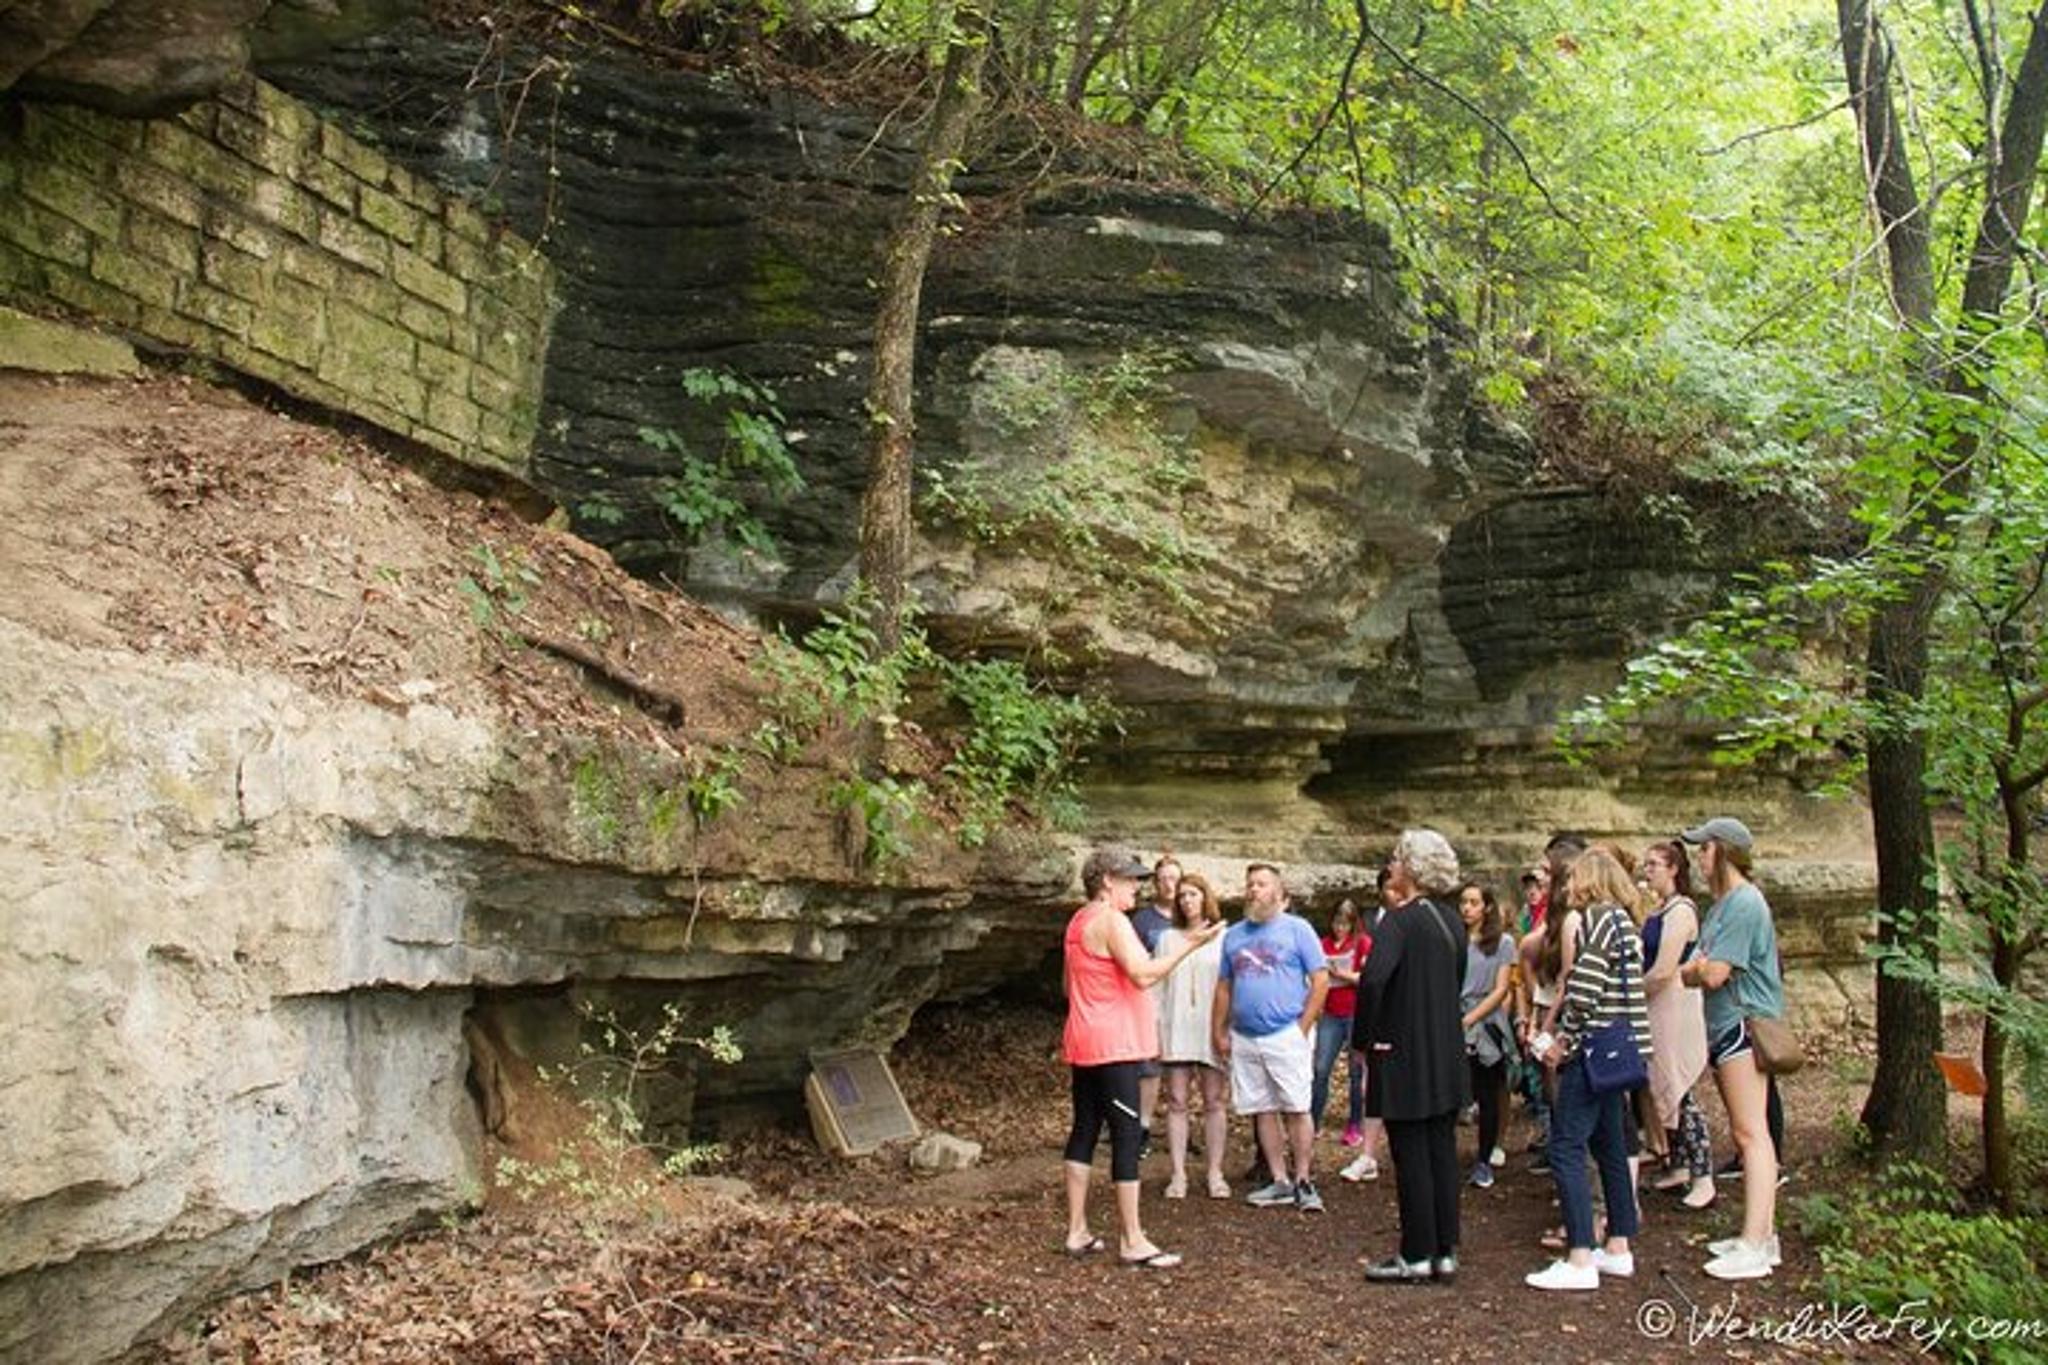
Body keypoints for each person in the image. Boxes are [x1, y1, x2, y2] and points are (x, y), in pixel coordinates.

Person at [1062, 847, 1222, 1269]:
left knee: (1084, 1128)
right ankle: (1132, 1239)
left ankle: (1077, 1230)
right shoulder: (1112, 920)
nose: (1137, 886)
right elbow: (1143, 972)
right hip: (1113, 1045)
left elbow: (1070, 983)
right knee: (1127, 1134)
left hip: (1084, 1040)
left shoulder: (1078, 920)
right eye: (1130, 879)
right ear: (1106, 882)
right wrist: (1191, 946)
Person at [1524, 848, 1653, 1292]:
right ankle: (1618, 1245)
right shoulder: (1626, 925)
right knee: (1611, 1146)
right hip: (1622, 1051)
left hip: (1591, 1051)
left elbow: (1583, 990)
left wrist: (1563, 1041)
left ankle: (1580, 1253)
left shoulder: (1596, 921)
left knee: (1565, 1147)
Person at [1356, 829, 1470, 1283]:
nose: (1393, 867)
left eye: (1397, 860)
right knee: (1441, 1148)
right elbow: (1454, 981)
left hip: (1403, 1050)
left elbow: (1373, 980)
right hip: (1445, 1048)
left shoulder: (1398, 921)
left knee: (1410, 1151)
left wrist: (1366, 1038)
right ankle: (1445, 1249)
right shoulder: (1452, 920)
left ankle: (1415, 1253)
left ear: (1412, 869)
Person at [1679, 817, 1786, 1280]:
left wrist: (1701, 966)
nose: (1698, 859)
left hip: (1743, 1026)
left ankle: (1756, 1244)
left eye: (1703, 850)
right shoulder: (1720, 905)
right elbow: (1686, 971)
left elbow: (1714, 973)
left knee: (1750, 1134)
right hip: (1724, 1026)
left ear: (1722, 851)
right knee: (1748, 1131)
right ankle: (1763, 1234)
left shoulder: (1743, 903)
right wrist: (1699, 967)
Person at [1212, 863, 1328, 1213]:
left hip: (1285, 1032)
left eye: (1261, 884)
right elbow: (1224, 986)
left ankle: (1304, 1180)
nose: (1253, 890)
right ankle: (1279, 1180)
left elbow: (1320, 980)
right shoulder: (1234, 936)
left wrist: (1302, 1028)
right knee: (1262, 1107)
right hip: (1246, 1037)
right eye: (1250, 884)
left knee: (1296, 1106)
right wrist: (1218, 1029)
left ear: (1279, 892)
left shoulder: (1297, 930)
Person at [1640, 840, 1713, 1210]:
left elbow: (1664, 968)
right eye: (1646, 864)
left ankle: (1704, 1175)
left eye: (1654, 864)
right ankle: (1679, 1165)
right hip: (1657, 1007)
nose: (1647, 869)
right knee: (1662, 1084)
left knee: (1680, 1086)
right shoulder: (1658, 908)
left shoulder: (1682, 911)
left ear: (1673, 869)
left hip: (1674, 1005)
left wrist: (1630, 991)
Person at [1156, 872, 1231, 1200]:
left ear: (1205, 898)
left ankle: (1215, 1171)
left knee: (1214, 1100)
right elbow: (1157, 988)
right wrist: (1155, 1029)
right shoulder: (1167, 938)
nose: (1187, 901)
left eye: (1193, 895)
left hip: (1210, 1025)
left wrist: (1227, 1026)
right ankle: (1178, 1173)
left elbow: (1230, 985)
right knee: (1176, 1101)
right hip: (1176, 1025)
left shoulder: (1223, 936)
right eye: (1182, 896)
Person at [1338, 870, 1395, 1183]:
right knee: (1370, 1084)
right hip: (1373, 1011)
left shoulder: (1415, 921)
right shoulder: (1372, 922)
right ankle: (1368, 1154)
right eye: (1386, 885)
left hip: (1403, 1012)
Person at [1458, 883, 1517, 1190]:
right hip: (1456, 1016)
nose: (1467, 908)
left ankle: (1484, 1158)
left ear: (1487, 907)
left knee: (1489, 1091)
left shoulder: (1503, 943)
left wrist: (1472, 1017)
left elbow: (1501, 987)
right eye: (1464, 902)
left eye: (1473, 902)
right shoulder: (1454, 940)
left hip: (1486, 1021)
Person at [1132, 857, 1180, 1151]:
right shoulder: (1143, 921)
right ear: (1155, 883)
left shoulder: (1191, 913)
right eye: (1163, 878)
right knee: (1148, 1067)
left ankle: (1181, 1128)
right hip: (1153, 1000)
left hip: (1186, 1002)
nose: (1169, 884)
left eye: (1174, 878)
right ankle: (1143, 1128)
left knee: (1182, 1065)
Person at [1313, 899, 1366, 1139]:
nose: (1340, 928)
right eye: (1337, 922)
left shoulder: (1363, 943)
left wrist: (1342, 974)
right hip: (1331, 1013)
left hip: (1355, 1011)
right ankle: (1313, 1121)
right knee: (1321, 1067)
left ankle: (1355, 1124)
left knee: (1356, 1071)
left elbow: (1367, 977)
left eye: (1345, 924)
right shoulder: (1323, 944)